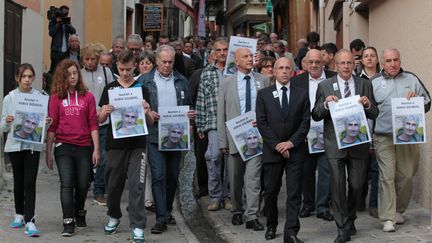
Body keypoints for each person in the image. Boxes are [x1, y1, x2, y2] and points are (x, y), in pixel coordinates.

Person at [312, 49, 378, 243]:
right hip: (335, 144)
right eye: (342, 63)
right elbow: (315, 114)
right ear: (335, 65)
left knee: (357, 185)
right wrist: (325, 104)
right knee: (338, 186)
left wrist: (367, 104)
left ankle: (350, 216)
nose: (346, 66)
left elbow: (375, 112)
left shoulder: (364, 84)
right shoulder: (325, 86)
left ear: (354, 65)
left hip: (358, 143)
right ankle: (342, 227)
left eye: (350, 63)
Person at [371, 48, 431, 232]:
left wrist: (417, 100)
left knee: (406, 175)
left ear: (400, 60)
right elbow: (368, 110)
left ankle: (399, 209)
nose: (393, 64)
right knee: (387, 176)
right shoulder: (373, 82)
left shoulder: (411, 79)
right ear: (382, 62)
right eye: (388, 60)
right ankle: (388, 217)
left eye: (396, 59)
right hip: (383, 136)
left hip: (407, 136)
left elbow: (428, 102)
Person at [138, 45, 195, 234]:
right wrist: (146, 111)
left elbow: (187, 106)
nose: (167, 65)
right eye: (164, 62)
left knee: (172, 177)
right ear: (156, 61)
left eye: (170, 62)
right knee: (158, 176)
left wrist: (190, 116)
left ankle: (168, 209)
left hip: (176, 137)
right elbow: (137, 108)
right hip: (154, 136)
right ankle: (160, 218)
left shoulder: (182, 81)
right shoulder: (145, 81)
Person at [98, 49, 154, 243]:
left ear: (135, 66)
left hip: (138, 144)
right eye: (121, 69)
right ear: (117, 68)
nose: (125, 73)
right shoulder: (110, 89)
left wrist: (147, 111)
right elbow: (99, 119)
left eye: (128, 69)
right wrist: (104, 112)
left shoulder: (142, 88)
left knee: (137, 185)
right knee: (113, 185)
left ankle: (138, 225)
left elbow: (151, 122)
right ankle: (114, 215)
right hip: (115, 145)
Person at [256, 57, 310, 242]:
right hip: (272, 150)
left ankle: (291, 232)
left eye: (288, 68)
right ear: (275, 71)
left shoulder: (301, 94)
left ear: (292, 71)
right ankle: (271, 225)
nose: (285, 71)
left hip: (295, 150)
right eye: (281, 68)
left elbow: (305, 122)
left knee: (294, 192)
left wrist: (290, 143)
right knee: (271, 191)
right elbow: (262, 123)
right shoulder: (264, 94)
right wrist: (277, 145)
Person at [217, 47, 269, 231]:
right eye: (245, 57)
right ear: (236, 62)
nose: (249, 59)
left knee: (253, 177)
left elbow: (267, 109)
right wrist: (222, 141)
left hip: (256, 137)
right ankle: (237, 210)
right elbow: (220, 114)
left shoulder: (263, 80)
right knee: (235, 177)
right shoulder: (226, 83)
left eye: (251, 56)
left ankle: (252, 215)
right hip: (234, 137)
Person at [46, 59, 100, 237]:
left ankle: (80, 211)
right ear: (63, 76)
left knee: (84, 183)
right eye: (69, 74)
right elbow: (52, 126)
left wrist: (96, 149)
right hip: (63, 146)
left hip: (84, 145)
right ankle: (68, 221)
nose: (73, 77)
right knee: (67, 184)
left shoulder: (88, 96)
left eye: (75, 73)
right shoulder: (55, 97)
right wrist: (48, 152)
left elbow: (93, 123)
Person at [1, 63, 50, 237]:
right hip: (15, 146)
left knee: (30, 182)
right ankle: (19, 213)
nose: (27, 80)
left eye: (30, 76)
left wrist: (47, 122)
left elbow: (44, 121)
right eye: (24, 77)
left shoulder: (40, 97)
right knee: (19, 181)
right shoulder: (10, 98)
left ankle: (30, 221)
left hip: (32, 147)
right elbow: (2, 128)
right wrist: (7, 120)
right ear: (17, 78)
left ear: (34, 78)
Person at [291, 49, 336, 222]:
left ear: (323, 62)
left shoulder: (333, 78)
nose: (314, 65)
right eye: (311, 62)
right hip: (304, 134)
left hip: (328, 132)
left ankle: (322, 206)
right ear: (305, 63)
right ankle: (308, 204)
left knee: (326, 171)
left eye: (318, 61)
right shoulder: (297, 81)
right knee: (305, 171)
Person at [195, 38, 232, 210]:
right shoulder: (207, 73)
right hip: (212, 123)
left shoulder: (235, 71)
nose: (222, 53)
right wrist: (200, 125)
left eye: (225, 50)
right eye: (219, 50)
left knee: (230, 161)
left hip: (233, 122)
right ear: (214, 53)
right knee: (214, 158)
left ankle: (228, 196)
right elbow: (201, 99)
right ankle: (215, 196)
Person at [81, 43, 114, 206]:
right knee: (86, 157)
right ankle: (84, 184)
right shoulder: (79, 75)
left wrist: (105, 110)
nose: (89, 62)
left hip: (104, 121)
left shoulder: (107, 72)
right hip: (84, 123)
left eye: (92, 59)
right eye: (86, 59)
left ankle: (99, 191)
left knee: (103, 158)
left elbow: (112, 92)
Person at [48, 5, 76, 74]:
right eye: (64, 12)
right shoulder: (53, 22)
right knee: (54, 71)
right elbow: (51, 33)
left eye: (67, 13)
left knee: (65, 71)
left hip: (65, 52)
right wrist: (58, 23)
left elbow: (73, 31)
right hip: (56, 51)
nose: (65, 14)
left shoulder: (67, 22)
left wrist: (66, 23)